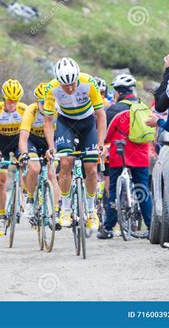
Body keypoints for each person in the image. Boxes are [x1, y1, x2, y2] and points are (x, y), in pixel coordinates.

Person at [43, 57, 106, 229]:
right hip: (66, 124)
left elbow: (101, 115)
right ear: (58, 82)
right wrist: (51, 146)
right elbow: (48, 121)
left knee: (91, 168)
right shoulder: (51, 88)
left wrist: (101, 143)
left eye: (73, 84)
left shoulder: (88, 82)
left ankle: (92, 210)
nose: (70, 88)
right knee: (66, 161)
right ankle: (64, 208)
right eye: (65, 85)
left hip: (87, 123)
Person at [97, 74, 153, 239]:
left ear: (118, 92)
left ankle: (108, 228)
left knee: (113, 190)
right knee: (142, 189)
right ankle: (151, 227)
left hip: (120, 154)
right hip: (141, 154)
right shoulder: (143, 107)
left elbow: (105, 135)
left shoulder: (114, 109)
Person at [0, 79, 27, 236]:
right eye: (10, 101)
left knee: (26, 164)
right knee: (1, 179)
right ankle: (2, 216)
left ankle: (24, 197)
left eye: (15, 101)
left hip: (17, 142)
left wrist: (24, 153)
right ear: (4, 98)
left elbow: (26, 135)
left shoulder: (23, 109)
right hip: (1, 144)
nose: (12, 104)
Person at [19, 83, 59, 221]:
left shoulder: (56, 110)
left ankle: (57, 210)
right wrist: (24, 154)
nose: (44, 105)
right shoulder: (31, 110)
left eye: (47, 102)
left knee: (51, 172)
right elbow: (23, 137)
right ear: (37, 102)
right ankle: (30, 199)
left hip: (50, 142)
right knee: (34, 168)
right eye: (41, 102)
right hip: (33, 142)